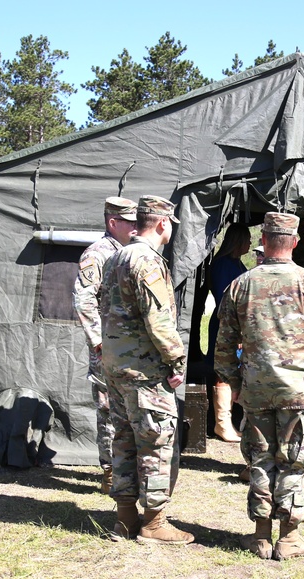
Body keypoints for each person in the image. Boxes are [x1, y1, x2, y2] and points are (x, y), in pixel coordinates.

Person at [215, 212, 304, 560]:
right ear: (296, 242)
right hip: (298, 391)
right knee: (294, 461)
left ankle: (259, 536)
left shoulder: (241, 284)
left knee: (260, 459)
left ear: (265, 240)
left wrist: (232, 383)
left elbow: (223, 341)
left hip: (255, 389)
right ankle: (289, 537)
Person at [101, 195, 193, 545]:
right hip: (144, 371)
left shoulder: (115, 257)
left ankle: (124, 519)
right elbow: (160, 321)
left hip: (116, 366)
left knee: (123, 441)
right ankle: (153, 523)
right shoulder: (147, 261)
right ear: (162, 224)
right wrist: (176, 361)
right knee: (156, 441)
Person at [72, 196, 137, 494]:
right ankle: (110, 470)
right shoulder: (97, 254)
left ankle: (126, 467)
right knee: (108, 408)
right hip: (108, 346)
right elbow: (84, 299)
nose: (137, 227)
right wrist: (98, 342)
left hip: (129, 345)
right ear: (113, 222)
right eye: (130, 222)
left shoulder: (130, 252)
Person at [207, 224, 251, 443]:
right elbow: (226, 298)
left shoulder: (235, 263)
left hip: (236, 325)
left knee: (234, 370)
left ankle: (229, 421)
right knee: (224, 370)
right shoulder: (224, 264)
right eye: (248, 239)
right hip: (228, 324)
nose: (251, 243)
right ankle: (222, 424)